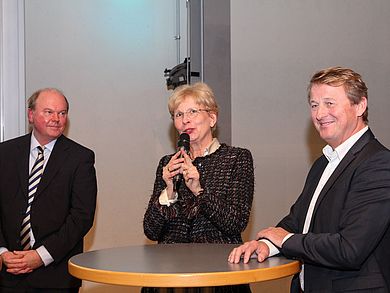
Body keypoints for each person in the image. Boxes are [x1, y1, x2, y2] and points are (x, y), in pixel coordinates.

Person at [229, 66, 390, 292]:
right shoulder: (322, 163)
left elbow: (350, 249)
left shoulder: (379, 163)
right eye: (314, 105)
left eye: (329, 103)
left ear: (360, 106)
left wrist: (285, 240)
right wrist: (266, 245)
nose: (320, 114)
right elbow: (298, 221)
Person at [143, 82, 254, 293]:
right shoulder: (167, 164)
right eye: (178, 114)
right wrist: (168, 191)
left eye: (193, 111)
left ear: (212, 118)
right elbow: (151, 230)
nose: (185, 120)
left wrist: (199, 191)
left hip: (219, 275)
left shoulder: (237, 158)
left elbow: (236, 223)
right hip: (170, 278)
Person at [0, 88, 97, 292]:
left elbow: (81, 217)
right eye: (49, 112)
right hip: (8, 273)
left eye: (62, 113)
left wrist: (40, 256)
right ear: (31, 115)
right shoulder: (4, 153)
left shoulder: (80, 158)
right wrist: (2, 252)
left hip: (56, 276)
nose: (56, 119)